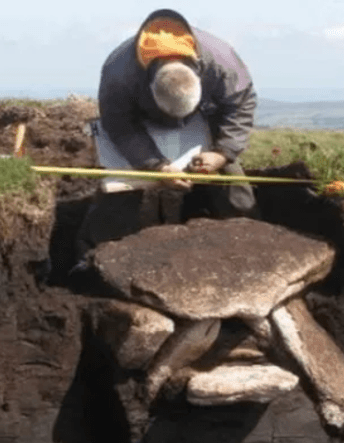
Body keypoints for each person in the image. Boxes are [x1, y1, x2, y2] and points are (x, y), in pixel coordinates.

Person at [72, 8, 259, 272]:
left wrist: (221, 153)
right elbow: (120, 125)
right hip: (138, 122)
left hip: (202, 117)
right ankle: (91, 261)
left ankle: (249, 246)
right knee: (120, 188)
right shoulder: (119, 72)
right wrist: (155, 165)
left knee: (232, 183)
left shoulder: (221, 61)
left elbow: (241, 103)